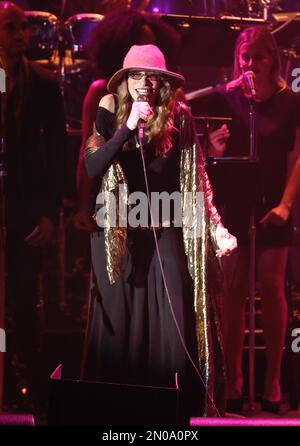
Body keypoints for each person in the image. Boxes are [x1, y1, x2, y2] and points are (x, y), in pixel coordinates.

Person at [80, 43, 237, 421]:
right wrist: (128, 127)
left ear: (164, 83)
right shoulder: (108, 110)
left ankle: (172, 414)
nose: (145, 83)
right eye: (137, 76)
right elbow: (92, 167)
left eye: (153, 77)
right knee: (122, 333)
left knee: (172, 322)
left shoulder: (179, 117)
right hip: (118, 233)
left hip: (164, 227)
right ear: (124, 81)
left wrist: (214, 227)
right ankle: (116, 415)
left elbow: (196, 178)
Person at [199, 27, 300, 413]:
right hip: (235, 205)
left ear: (273, 58)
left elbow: (296, 158)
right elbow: (208, 154)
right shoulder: (228, 99)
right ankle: (235, 381)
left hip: (273, 204)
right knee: (233, 293)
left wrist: (287, 205)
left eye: (258, 56)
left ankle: (273, 380)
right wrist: (212, 147)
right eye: (245, 56)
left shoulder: (290, 103)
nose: (251, 63)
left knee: (272, 288)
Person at [0, 2, 66, 412]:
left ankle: (31, 394)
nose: (20, 34)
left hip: (24, 210)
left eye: (22, 27)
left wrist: (49, 212)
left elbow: (57, 153)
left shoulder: (42, 82)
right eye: (10, 28)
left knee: (25, 302)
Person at [73, 8, 181, 232]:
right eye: (139, 47)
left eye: (153, 47)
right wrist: (83, 207)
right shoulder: (100, 94)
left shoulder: (165, 97)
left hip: (154, 204)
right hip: (112, 201)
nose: (147, 54)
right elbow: (88, 148)